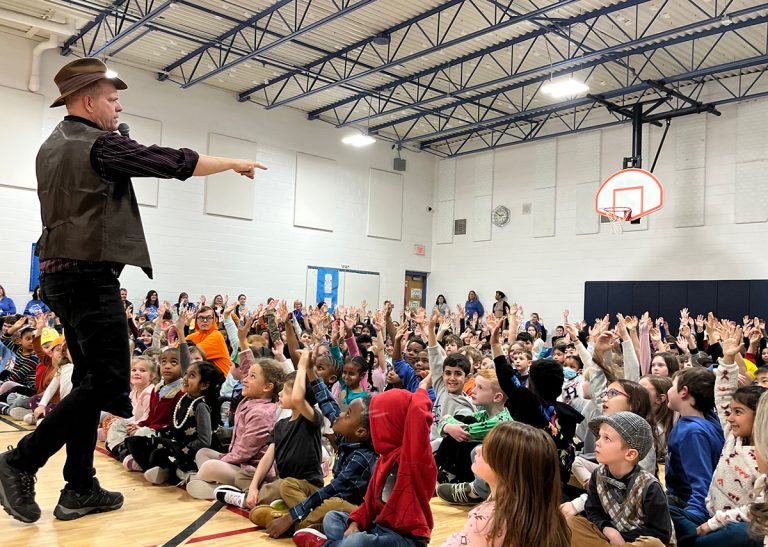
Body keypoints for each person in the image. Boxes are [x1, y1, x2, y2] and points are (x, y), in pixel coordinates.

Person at [0, 57, 266, 524]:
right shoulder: (99, 146)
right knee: (107, 383)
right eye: (111, 97)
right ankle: (20, 461)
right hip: (88, 276)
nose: (118, 104)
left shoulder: (51, 146)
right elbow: (170, 161)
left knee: (87, 383)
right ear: (87, 101)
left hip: (58, 274)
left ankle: (79, 486)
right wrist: (230, 162)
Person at [293, 387, 437, 547]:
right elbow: (369, 506)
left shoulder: (414, 459)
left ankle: (327, 545)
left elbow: (419, 420)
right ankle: (341, 543)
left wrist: (421, 392)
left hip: (406, 539)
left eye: (377, 421)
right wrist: (356, 524)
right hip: (380, 530)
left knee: (357, 541)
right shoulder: (383, 461)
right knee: (332, 517)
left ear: (390, 423)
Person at [442, 421, 571, 547]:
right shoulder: (548, 517)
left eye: (488, 450)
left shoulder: (487, 521)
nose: (478, 449)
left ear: (507, 469)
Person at [567, 412, 673, 546]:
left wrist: (622, 539)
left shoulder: (649, 486)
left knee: (653, 544)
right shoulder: (597, 475)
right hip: (609, 538)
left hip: (635, 542)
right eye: (599, 436)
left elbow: (661, 533)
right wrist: (609, 531)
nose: (598, 442)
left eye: (607, 438)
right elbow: (593, 511)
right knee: (572, 523)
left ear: (630, 454)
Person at [666, 368, 724, 530]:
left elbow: (702, 483)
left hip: (685, 503)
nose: (668, 390)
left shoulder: (692, 433)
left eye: (672, 385)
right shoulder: (708, 417)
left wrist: (690, 520)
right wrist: (716, 370)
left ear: (684, 392)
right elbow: (706, 378)